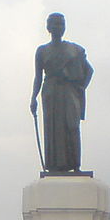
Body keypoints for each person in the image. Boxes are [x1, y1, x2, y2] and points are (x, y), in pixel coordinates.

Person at [30, 12, 93, 172]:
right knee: (53, 128)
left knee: (71, 125)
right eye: (56, 24)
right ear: (49, 28)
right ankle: (54, 166)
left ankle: (75, 165)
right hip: (50, 92)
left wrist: (80, 87)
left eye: (62, 24)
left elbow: (89, 70)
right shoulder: (42, 51)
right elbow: (38, 77)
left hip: (69, 91)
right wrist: (33, 98)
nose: (59, 27)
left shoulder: (74, 50)